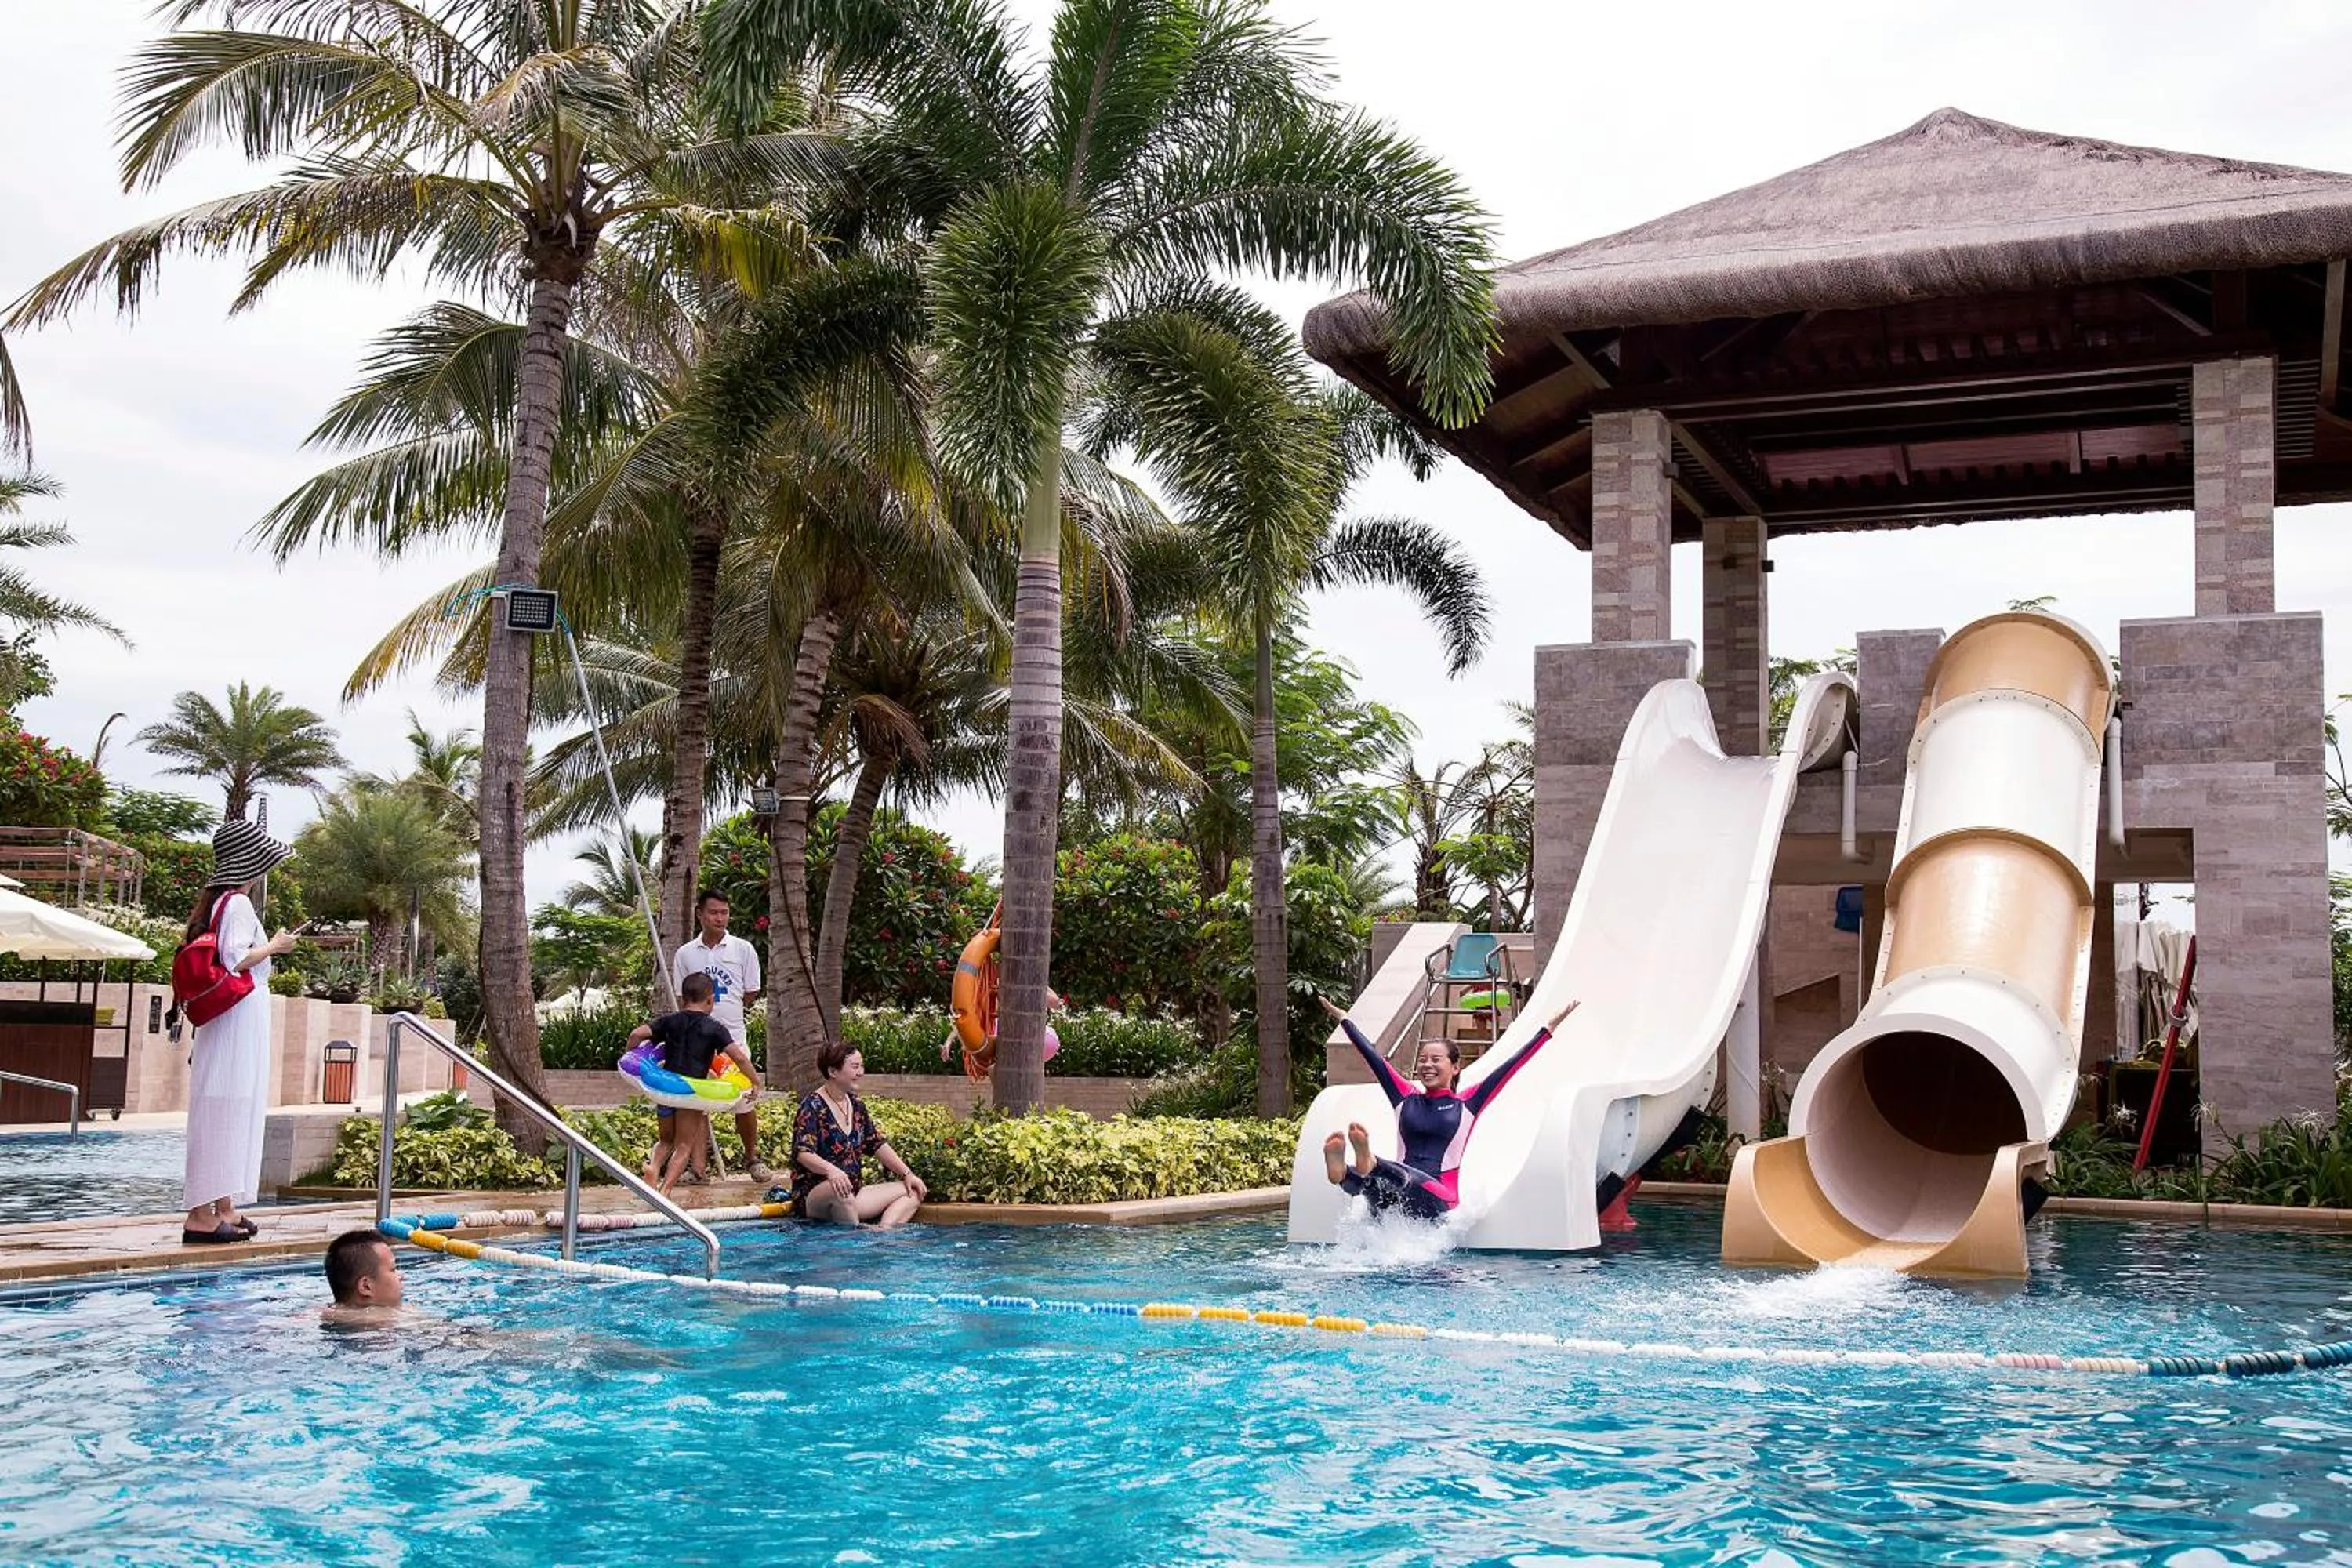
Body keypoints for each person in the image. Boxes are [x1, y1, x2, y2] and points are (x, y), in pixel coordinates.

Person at [1317, 993, 1580, 1222]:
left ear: (1455, 1067)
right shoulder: (1404, 1096)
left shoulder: (1468, 1103)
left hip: (1439, 1196)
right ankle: (1343, 1173)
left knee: (1401, 1178)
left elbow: (1511, 1066)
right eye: (1423, 1060)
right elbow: (1374, 1059)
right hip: (1398, 1188)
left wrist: (1547, 1029)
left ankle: (1367, 1164)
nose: (1427, 1065)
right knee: (1372, 1188)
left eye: (1436, 1059)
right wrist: (1345, 1020)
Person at [180, 820, 302, 1246]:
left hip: (232, 1018)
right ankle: (201, 1215)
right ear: (251, 862)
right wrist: (276, 946)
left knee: (229, 1104)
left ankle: (224, 1205)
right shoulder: (237, 904)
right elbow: (235, 959)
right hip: (236, 1019)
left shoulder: (219, 902)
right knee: (226, 1104)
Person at [660, 890, 768, 1184]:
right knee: (697, 1104)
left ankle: (752, 1157)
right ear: (700, 914)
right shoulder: (685, 954)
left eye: (724, 912)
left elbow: (751, 992)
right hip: (697, 1044)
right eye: (714, 912)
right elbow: (684, 997)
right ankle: (698, 1169)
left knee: (744, 1102)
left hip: (733, 1039)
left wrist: (724, 1017)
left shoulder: (744, 949)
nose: (720, 918)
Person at [626, 972, 761, 1198]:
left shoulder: (670, 1021)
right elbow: (739, 1058)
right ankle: (665, 1190)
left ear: (683, 999)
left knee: (665, 1140)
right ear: (710, 1000)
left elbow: (636, 1034)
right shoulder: (714, 1028)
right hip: (690, 1093)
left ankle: (654, 1167)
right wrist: (755, 1081)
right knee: (683, 1145)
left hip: (665, 1089)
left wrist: (631, 1058)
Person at [792, 1040, 927, 1227]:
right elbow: (803, 1153)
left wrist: (907, 1174)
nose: (861, 1072)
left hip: (853, 1195)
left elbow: (876, 1144)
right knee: (839, 1190)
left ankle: (883, 1232)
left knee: (915, 1190)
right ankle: (856, 1238)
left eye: (861, 1066)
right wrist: (831, 1171)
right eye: (855, 1067)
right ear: (833, 1071)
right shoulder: (812, 1106)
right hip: (816, 1198)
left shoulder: (856, 1105)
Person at [321, 1229, 405, 1324]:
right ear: (366, 1286)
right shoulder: (401, 1319)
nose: (401, 1277)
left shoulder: (324, 1314)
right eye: (393, 1270)